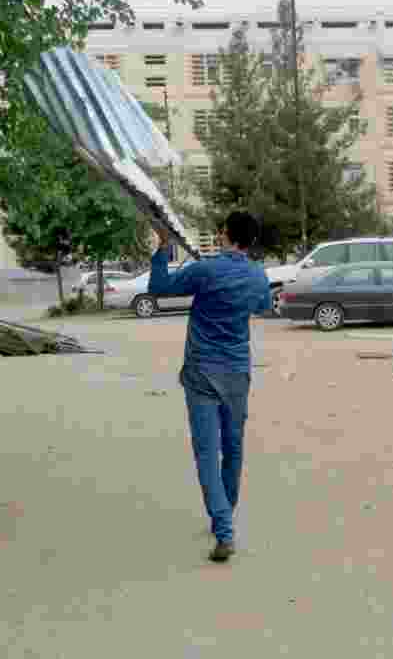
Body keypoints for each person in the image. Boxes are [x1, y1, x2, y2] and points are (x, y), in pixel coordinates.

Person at [148, 212, 272, 563]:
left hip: (202, 372)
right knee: (233, 449)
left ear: (225, 234)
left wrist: (163, 248)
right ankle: (224, 515)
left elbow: (159, 288)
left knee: (207, 454)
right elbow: (263, 306)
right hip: (236, 373)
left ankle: (224, 529)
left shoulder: (206, 270)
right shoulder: (257, 275)